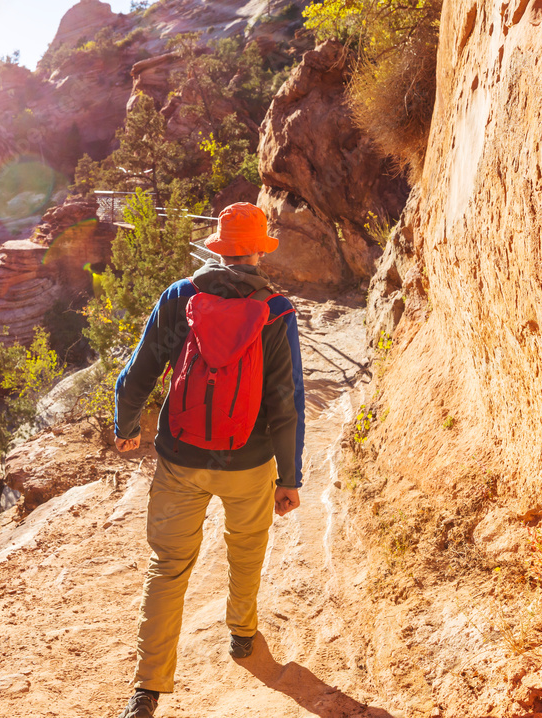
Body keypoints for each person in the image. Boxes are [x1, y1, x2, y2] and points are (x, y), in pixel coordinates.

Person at [113, 203, 305, 718]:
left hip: (181, 456)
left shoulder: (181, 297)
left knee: (168, 567)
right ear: (259, 250)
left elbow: (138, 373)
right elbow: (286, 400)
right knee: (246, 548)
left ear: (219, 247)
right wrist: (289, 476)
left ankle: (147, 689)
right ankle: (242, 634)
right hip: (249, 462)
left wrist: (127, 428)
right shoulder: (277, 311)